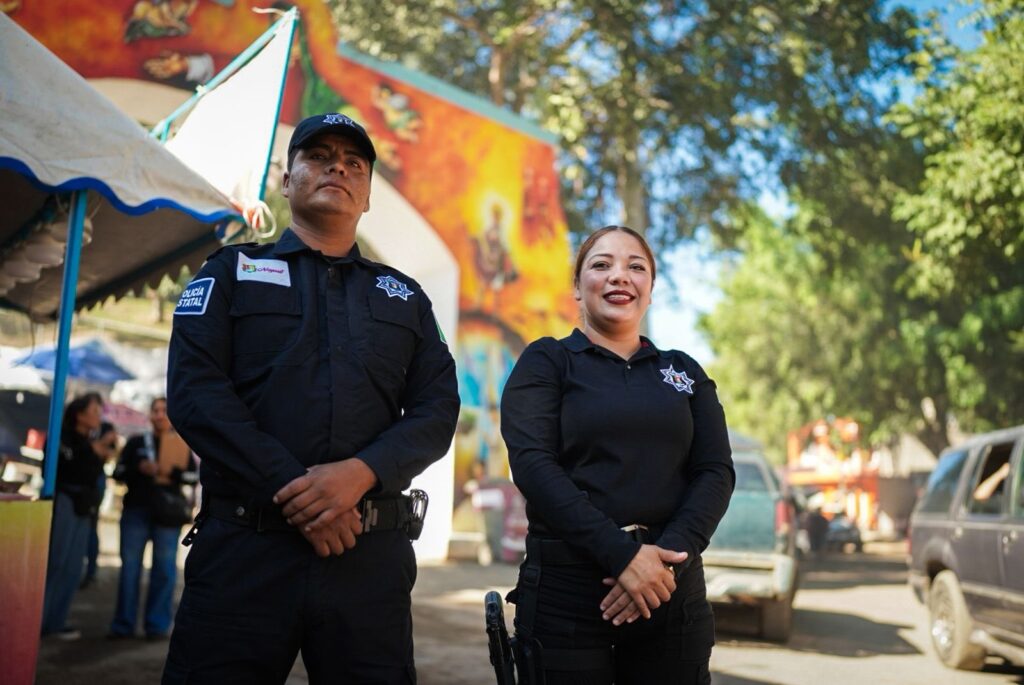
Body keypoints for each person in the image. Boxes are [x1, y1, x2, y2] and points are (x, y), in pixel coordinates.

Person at [162, 112, 460, 684]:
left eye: (354, 163)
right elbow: (197, 395)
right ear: (286, 178)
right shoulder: (231, 272)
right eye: (319, 156)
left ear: (368, 194)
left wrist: (360, 474)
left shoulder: (404, 297)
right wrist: (295, 491)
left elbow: (437, 409)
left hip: (367, 559)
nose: (338, 168)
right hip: (245, 554)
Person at [500, 225, 735, 684]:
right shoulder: (547, 361)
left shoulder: (683, 372)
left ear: (650, 289)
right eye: (601, 265)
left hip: (671, 592)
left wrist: (661, 561)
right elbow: (533, 465)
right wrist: (623, 556)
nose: (619, 277)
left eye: (636, 267)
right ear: (577, 288)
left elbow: (715, 471)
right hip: (567, 593)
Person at [109, 397, 197, 639]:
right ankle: (123, 625)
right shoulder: (136, 442)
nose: (159, 415)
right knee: (129, 571)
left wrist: (172, 472)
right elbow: (117, 473)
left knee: (165, 571)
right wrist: (138, 468)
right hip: (136, 512)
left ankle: (157, 626)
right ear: (149, 415)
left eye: (164, 410)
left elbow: (192, 477)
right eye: (155, 410)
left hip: (167, 518)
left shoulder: (181, 444)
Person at [41, 392, 117, 640]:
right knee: (55, 562)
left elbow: (93, 471)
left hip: (85, 506)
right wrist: (92, 449)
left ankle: (56, 621)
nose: (98, 417)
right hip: (63, 501)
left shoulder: (93, 441)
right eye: (94, 411)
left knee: (74, 567)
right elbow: (61, 468)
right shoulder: (62, 437)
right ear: (79, 414)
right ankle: (38, 620)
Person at [80, 421, 119, 589]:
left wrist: (101, 444)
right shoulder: (92, 430)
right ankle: (88, 570)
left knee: (90, 526)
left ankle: (90, 571)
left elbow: (108, 454)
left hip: (95, 480)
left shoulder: (105, 428)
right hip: (88, 478)